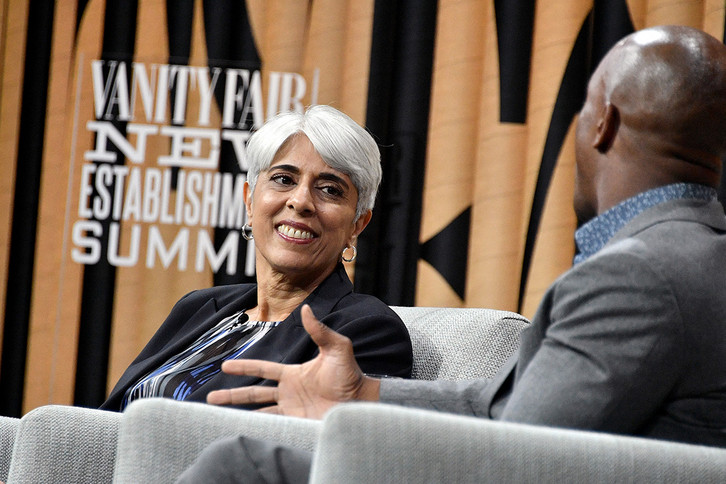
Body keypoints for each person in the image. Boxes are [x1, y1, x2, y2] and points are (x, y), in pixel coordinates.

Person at [174, 24, 726, 482]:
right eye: (283, 179)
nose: (300, 203)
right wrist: (366, 393)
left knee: (241, 466)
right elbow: (505, 405)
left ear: (602, 125)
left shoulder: (639, 275)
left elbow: (512, 452)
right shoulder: (695, 257)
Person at [100, 105, 413, 411]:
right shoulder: (198, 307)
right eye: (283, 179)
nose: (300, 201)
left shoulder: (365, 330)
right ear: (250, 200)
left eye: (330, 189)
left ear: (357, 224)